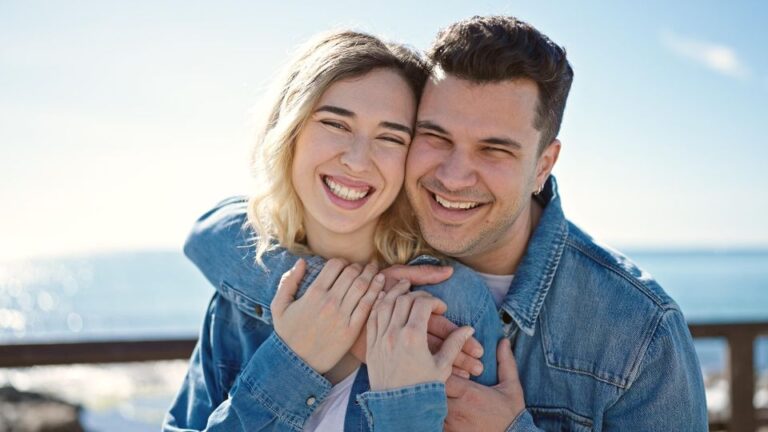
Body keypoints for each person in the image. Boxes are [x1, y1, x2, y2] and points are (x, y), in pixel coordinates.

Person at [176, 15, 709, 431]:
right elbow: (213, 232)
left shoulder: (638, 329)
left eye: (494, 150)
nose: (454, 177)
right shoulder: (254, 283)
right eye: (434, 137)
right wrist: (328, 325)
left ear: (543, 165)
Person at [163, 29, 504, 432]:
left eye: (390, 137)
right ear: (290, 130)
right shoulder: (239, 300)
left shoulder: (447, 306)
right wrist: (293, 363)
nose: (358, 161)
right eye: (336, 125)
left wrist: (403, 407)